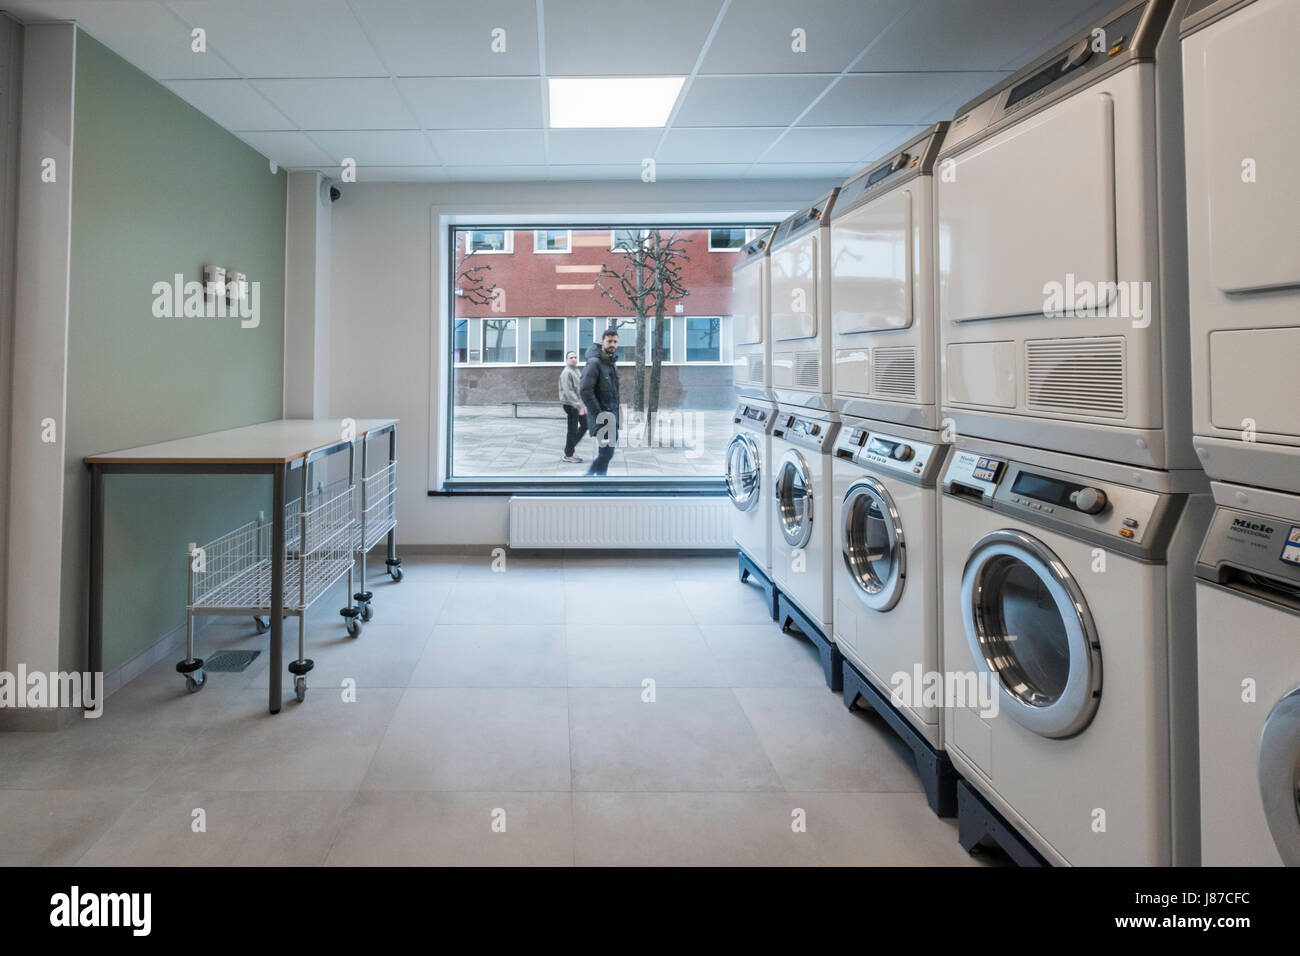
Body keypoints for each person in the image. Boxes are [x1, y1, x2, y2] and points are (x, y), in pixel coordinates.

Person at [580, 328, 620, 476]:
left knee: (607, 453)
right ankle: (587, 482)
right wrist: (599, 416)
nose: (612, 344)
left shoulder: (610, 362)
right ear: (602, 342)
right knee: (606, 454)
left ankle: (600, 482)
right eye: (609, 341)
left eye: (615, 341)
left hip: (611, 417)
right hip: (603, 418)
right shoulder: (594, 363)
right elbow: (585, 391)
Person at [557, 350, 586, 462]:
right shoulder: (566, 372)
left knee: (585, 424)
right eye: (571, 357)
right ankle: (569, 454)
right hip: (570, 405)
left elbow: (579, 389)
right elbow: (569, 392)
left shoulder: (576, 370)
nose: (574, 359)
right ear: (566, 360)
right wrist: (579, 407)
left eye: (575, 357)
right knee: (572, 429)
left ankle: (570, 449)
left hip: (577, 404)